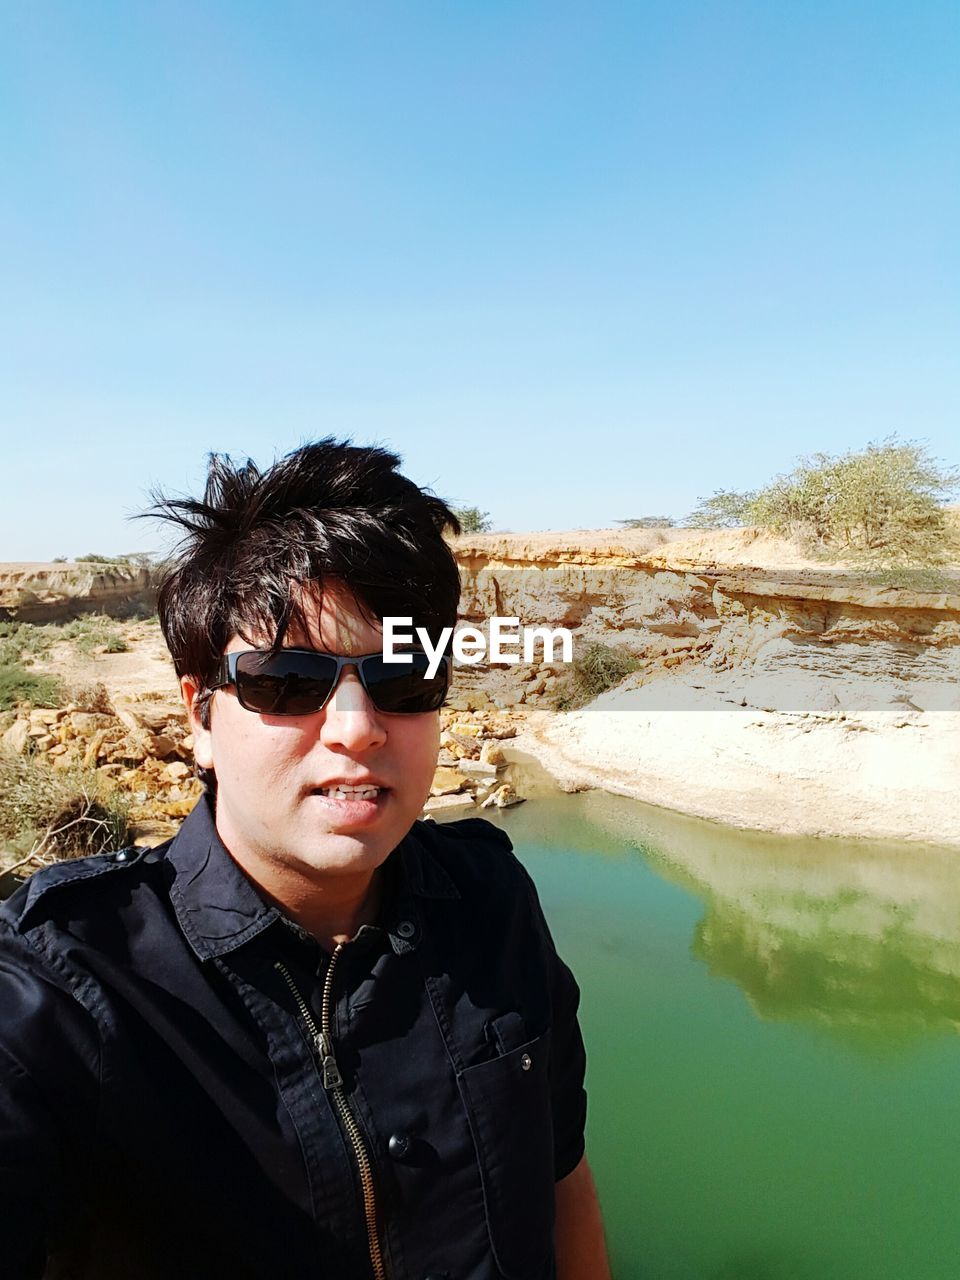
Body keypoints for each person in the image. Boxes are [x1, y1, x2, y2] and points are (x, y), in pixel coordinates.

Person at [0, 439, 610, 1280]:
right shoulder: (67, 986)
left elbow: (562, 1176)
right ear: (201, 716)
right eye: (287, 680)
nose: (358, 728)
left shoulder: (491, 898)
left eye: (403, 680)